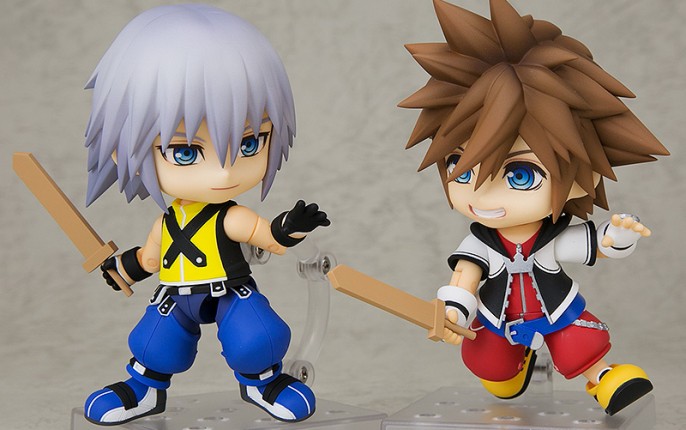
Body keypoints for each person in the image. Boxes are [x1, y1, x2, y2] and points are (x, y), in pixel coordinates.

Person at [400, 0, 668, 416]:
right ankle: (509, 372)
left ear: (578, 177)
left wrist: (618, 236)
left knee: (579, 345)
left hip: (554, 309)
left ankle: (603, 378)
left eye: (520, 175)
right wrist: (454, 310)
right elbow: (464, 278)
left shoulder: (551, 238)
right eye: (459, 166)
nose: (483, 194)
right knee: (488, 361)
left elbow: (596, 244)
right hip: (497, 316)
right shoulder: (481, 244)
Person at [81, 4, 328, 425]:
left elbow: (267, 236)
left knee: (257, 338)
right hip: (176, 296)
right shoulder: (166, 222)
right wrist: (122, 270)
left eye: (250, 144)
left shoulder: (230, 218)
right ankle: (143, 388)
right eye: (185, 151)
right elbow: (150, 258)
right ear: (124, 151)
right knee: (154, 343)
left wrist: (291, 227)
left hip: (229, 291)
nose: (225, 173)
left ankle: (263, 382)